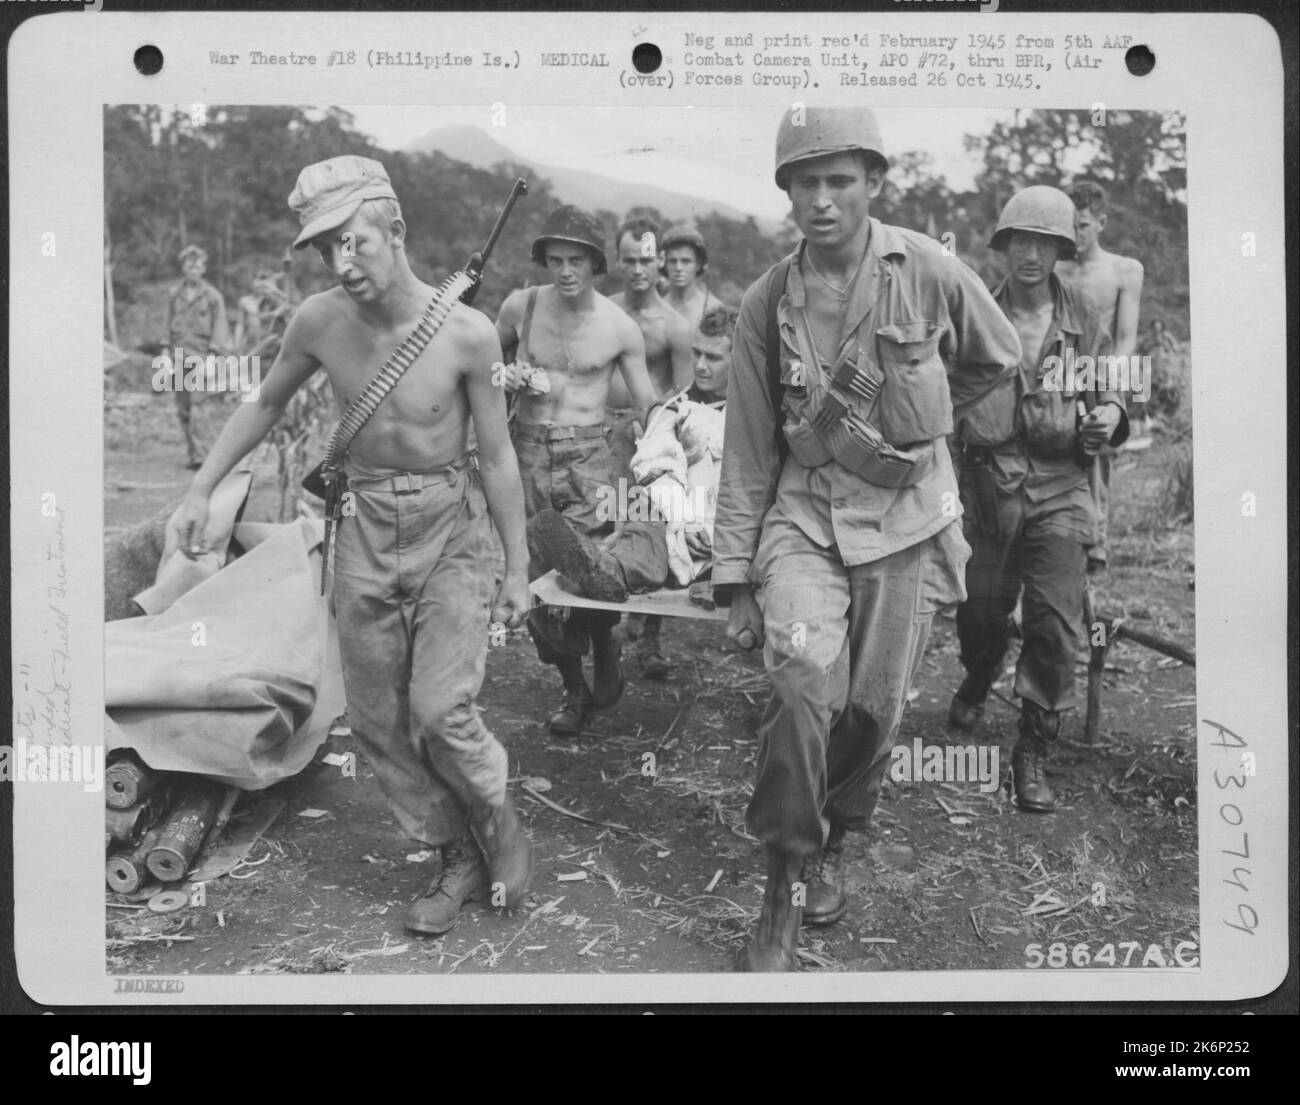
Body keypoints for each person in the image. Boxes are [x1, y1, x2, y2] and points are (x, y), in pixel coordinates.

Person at [164, 155, 534, 938]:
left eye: (353, 241)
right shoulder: (318, 322)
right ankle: (452, 852)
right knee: (374, 719)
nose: (341, 262)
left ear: (394, 230)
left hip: (450, 531)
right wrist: (200, 489)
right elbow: (264, 402)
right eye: (325, 248)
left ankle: (495, 811)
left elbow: (499, 457)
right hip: (362, 527)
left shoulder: (469, 334)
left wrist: (519, 569)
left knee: (439, 707)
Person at [711, 106, 1023, 971]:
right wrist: (736, 574)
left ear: (874, 182)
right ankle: (782, 875)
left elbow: (995, 355)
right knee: (806, 684)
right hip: (804, 516)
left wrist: (922, 417)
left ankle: (838, 834)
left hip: (906, 521)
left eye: (838, 180)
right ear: (785, 193)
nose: (821, 200)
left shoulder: (925, 268)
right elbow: (747, 444)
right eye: (804, 183)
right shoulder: (767, 300)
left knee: (873, 708)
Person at [949, 185, 1129, 814]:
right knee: (977, 616)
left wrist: (1107, 414)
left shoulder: (1083, 316)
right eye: (1019, 241)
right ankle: (980, 670)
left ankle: (1033, 746)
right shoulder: (976, 310)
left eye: (1044, 242)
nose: (1030, 254)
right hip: (988, 487)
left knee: (1054, 624)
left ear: (1061, 248)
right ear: (1003, 246)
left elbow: (1112, 389)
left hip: (1060, 485)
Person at [494, 205, 658, 736]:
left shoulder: (619, 327)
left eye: (576, 261)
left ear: (595, 265)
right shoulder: (522, 306)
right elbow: (481, 367)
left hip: (587, 456)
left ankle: (605, 642)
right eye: (556, 260)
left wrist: (668, 457)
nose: (565, 272)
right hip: (525, 450)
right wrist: (506, 377)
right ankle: (571, 682)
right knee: (537, 574)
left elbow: (647, 406)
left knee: (586, 568)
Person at [529, 304, 737, 604]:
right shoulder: (674, 410)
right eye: (697, 353)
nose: (701, 365)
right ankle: (608, 572)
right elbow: (659, 465)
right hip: (678, 520)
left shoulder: (752, 414)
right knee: (646, 524)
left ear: (739, 358)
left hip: (728, 527)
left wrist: (706, 528)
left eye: (714, 358)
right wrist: (683, 522)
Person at [609, 216, 695, 678]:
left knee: (658, 529)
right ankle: (606, 635)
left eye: (646, 259)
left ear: (659, 260)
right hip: (604, 434)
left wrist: (670, 449)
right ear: (618, 261)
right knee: (608, 524)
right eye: (629, 260)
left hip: (654, 439)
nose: (638, 269)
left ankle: (651, 639)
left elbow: (684, 398)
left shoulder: (674, 327)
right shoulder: (604, 311)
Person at [1056, 181, 1144, 572]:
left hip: (1103, 368)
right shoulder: (1054, 268)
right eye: (1071, 225)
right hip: (1057, 367)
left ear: (1102, 223)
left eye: (1085, 226)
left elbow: (1126, 338)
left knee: (1097, 446)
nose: (1076, 234)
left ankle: (1097, 539)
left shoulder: (1124, 270)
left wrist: (1106, 382)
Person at [165, 244, 231, 468]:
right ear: (183, 268)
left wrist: (213, 355)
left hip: (202, 358)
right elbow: (167, 324)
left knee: (199, 407)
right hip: (178, 357)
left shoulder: (212, 296)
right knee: (183, 409)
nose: (193, 270)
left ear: (203, 269)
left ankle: (204, 456)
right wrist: (165, 352)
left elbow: (220, 325)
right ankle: (193, 454)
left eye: (197, 266)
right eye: (189, 266)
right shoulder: (175, 294)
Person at [661, 223, 724, 332]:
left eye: (686, 261)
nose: (678, 268)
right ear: (664, 263)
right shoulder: (657, 308)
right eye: (672, 261)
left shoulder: (714, 310)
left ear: (698, 264)